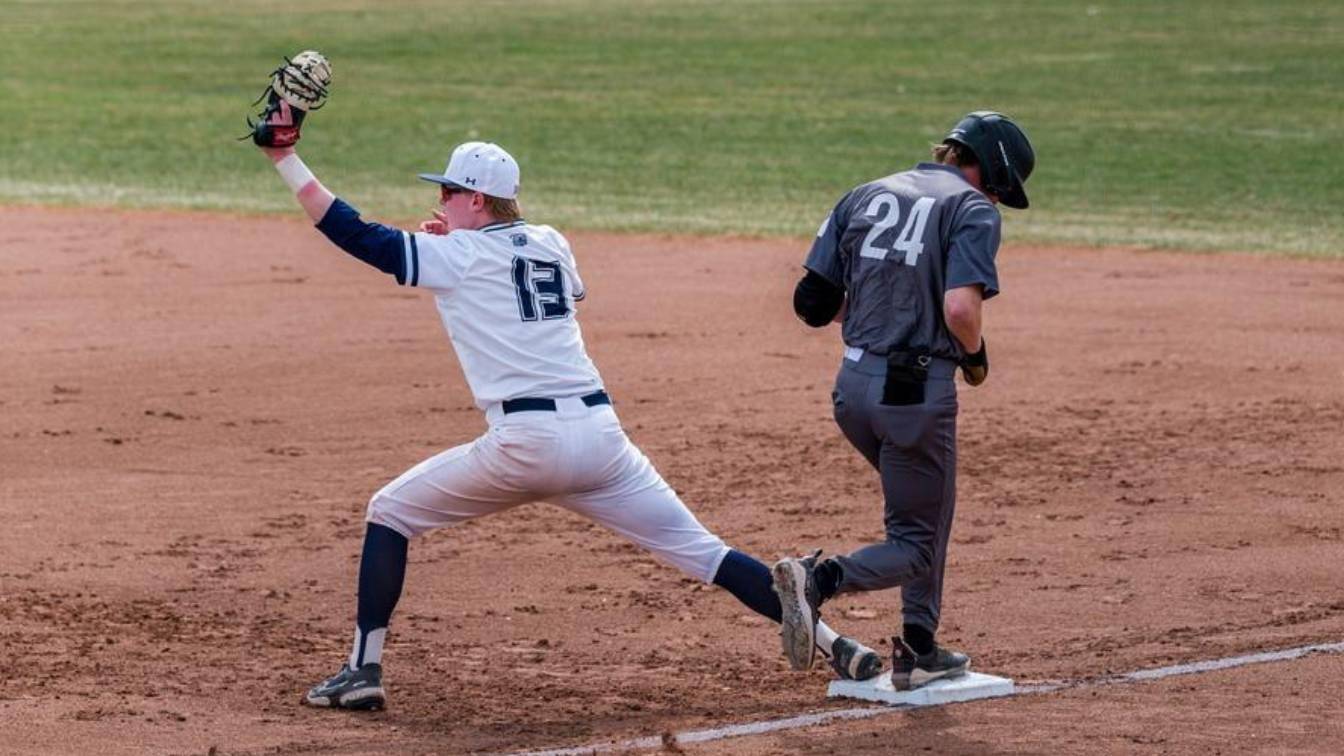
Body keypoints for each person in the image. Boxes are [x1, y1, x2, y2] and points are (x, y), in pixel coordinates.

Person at [252, 137, 884, 710]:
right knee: (705, 553)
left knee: (390, 511)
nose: (439, 197)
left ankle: (362, 672)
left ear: (474, 198)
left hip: (526, 445)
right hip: (602, 443)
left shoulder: (459, 255)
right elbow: (540, 285)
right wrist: (456, 240)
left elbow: (354, 233)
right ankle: (841, 648)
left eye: (447, 190)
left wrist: (285, 157)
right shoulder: (552, 241)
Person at [771, 111, 1035, 691]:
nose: (993, 196)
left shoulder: (866, 193)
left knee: (921, 519)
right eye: (996, 185)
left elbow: (812, 301)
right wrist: (973, 355)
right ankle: (819, 581)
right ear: (987, 169)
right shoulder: (971, 209)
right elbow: (961, 310)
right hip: (914, 396)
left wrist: (872, 315)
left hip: (853, 391)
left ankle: (919, 647)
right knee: (918, 540)